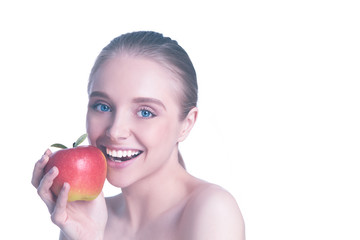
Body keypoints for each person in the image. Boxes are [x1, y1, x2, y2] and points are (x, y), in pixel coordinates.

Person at [32, 31, 245, 240]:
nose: (115, 131)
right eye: (103, 106)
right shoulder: (90, 218)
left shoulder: (212, 210)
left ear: (186, 125)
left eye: (145, 112)